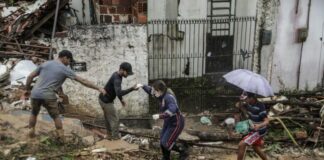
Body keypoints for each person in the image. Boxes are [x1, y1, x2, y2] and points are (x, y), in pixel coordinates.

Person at [25, 50, 106, 141]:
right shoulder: (65, 69)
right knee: (56, 116)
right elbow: (83, 81)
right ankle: (61, 137)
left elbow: (30, 77)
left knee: (33, 113)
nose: (69, 63)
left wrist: (27, 89)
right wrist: (98, 88)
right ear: (65, 58)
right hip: (48, 95)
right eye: (69, 61)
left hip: (35, 93)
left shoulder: (45, 64)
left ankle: (31, 132)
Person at [140, 80, 188, 160]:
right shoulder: (160, 94)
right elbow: (150, 90)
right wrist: (141, 85)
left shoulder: (169, 97)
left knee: (165, 142)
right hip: (168, 121)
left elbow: (173, 109)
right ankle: (166, 157)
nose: (153, 93)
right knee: (162, 141)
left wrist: (160, 116)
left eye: (154, 91)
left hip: (176, 123)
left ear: (159, 90)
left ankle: (183, 151)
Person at [98, 62, 140, 140]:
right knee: (115, 119)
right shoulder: (117, 78)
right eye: (127, 72)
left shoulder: (118, 75)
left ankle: (109, 135)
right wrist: (132, 89)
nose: (128, 75)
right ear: (121, 70)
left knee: (108, 118)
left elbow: (117, 91)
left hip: (103, 99)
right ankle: (115, 138)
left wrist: (121, 100)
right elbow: (119, 92)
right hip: (106, 101)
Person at [236, 91, 269, 160]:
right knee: (256, 147)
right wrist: (240, 106)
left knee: (241, 145)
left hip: (258, 132)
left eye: (246, 98)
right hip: (253, 129)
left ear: (252, 98)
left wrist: (259, 126)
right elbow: (242, 107)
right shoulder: (249, 104)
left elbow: (267, 121)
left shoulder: (260, 106)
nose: (245, 100)